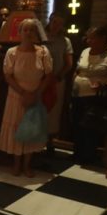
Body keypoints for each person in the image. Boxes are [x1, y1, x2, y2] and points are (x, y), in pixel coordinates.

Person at [0, 19, 52, 177]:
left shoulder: (43, 52)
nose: (29, 33)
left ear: (36, 33)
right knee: (16, 130)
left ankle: (27, 165)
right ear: (20, 33)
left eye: (32, 30)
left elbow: (48, 75)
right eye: (25, 30)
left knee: (31, 131)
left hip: (35, 96)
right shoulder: (12, 52)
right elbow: (8, 76)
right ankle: (16, 164)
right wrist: (23, 93)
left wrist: (36, 94)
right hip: (16, 96)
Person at [71, 24, 107, 165]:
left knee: (91, 127)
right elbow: (78, 69)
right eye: (88, 38)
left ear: (103, 38)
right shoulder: (85, 51)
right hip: (78, 94)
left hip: (96, 96)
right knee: (77, 124)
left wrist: (104, 85)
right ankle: (77, 153)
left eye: (92, 38)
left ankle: (89, 156)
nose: (88, 41)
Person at [43, 13, 73, 152]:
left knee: (53, 111)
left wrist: (58, 76)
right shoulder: (41, 38)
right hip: (40, 80)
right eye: (55, 22)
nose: (57, 25)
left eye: (60, 23)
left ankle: (50, 141)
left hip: (56, 80)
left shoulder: (65, 41)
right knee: (39, 109)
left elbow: (68, 63)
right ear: (50, 21)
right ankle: (36, 140)